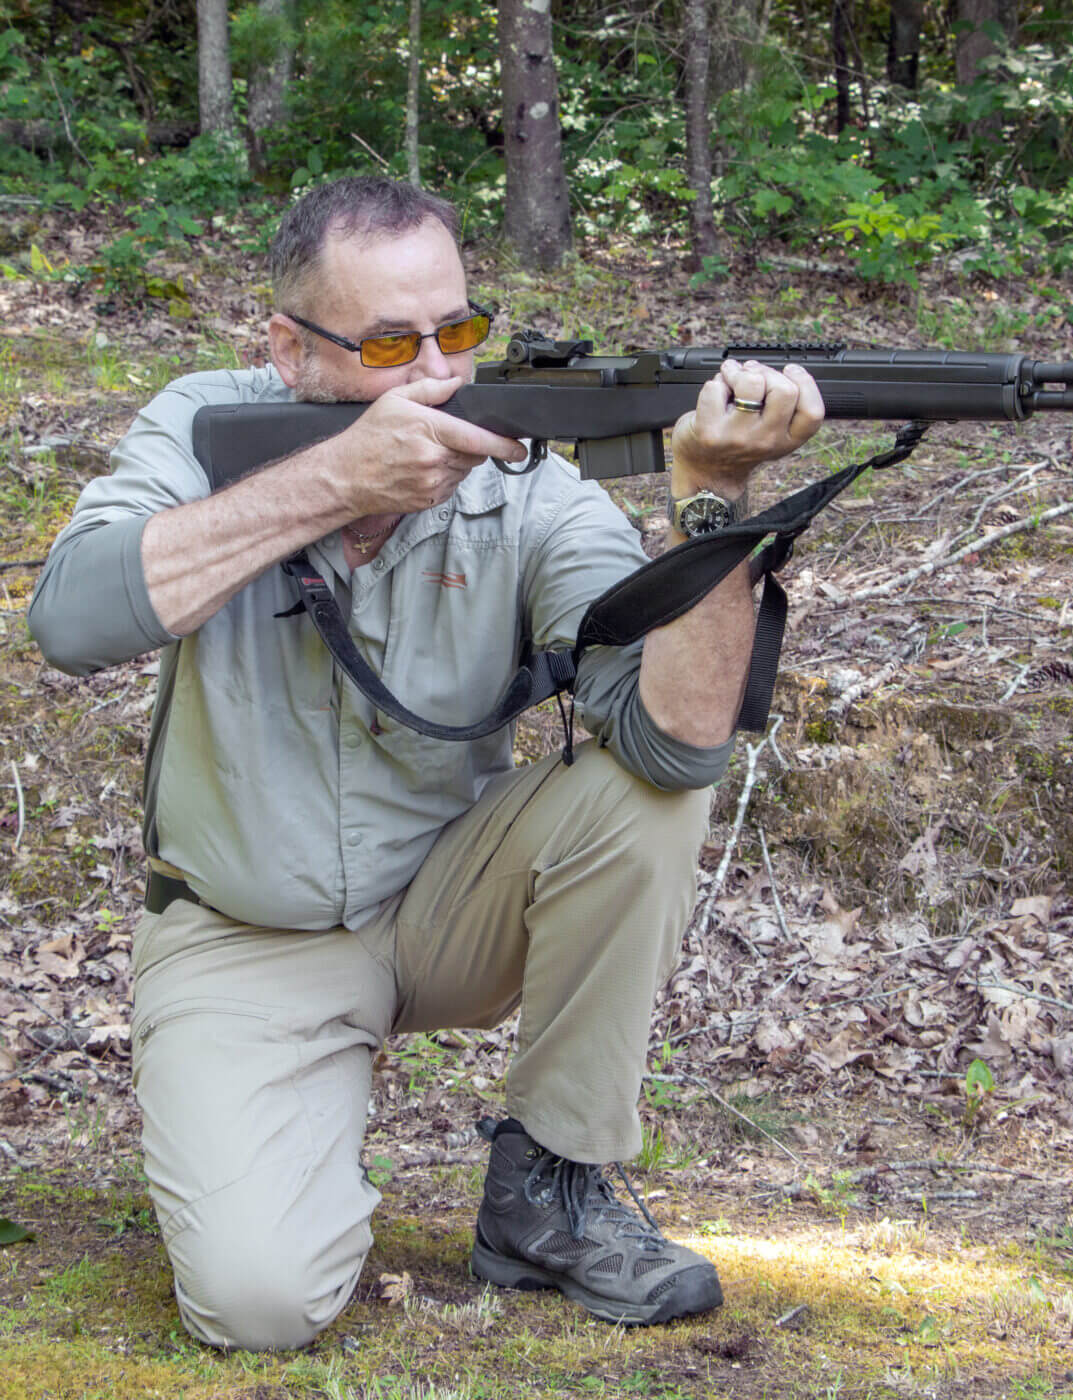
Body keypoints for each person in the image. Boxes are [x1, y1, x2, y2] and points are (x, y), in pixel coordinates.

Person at [27, 175, 824, 1351]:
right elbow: (70, 621)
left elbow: (673, 742)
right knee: (258, 1303)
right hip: (246, 927)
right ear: (289, 352)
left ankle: (547, 1192)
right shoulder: (209, 423)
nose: (440, 374)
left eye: (458, 331)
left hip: (452, 896)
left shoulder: (530, 479)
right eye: (393, 343)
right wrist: (333, 482)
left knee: (643, 800)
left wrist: (715, 507)